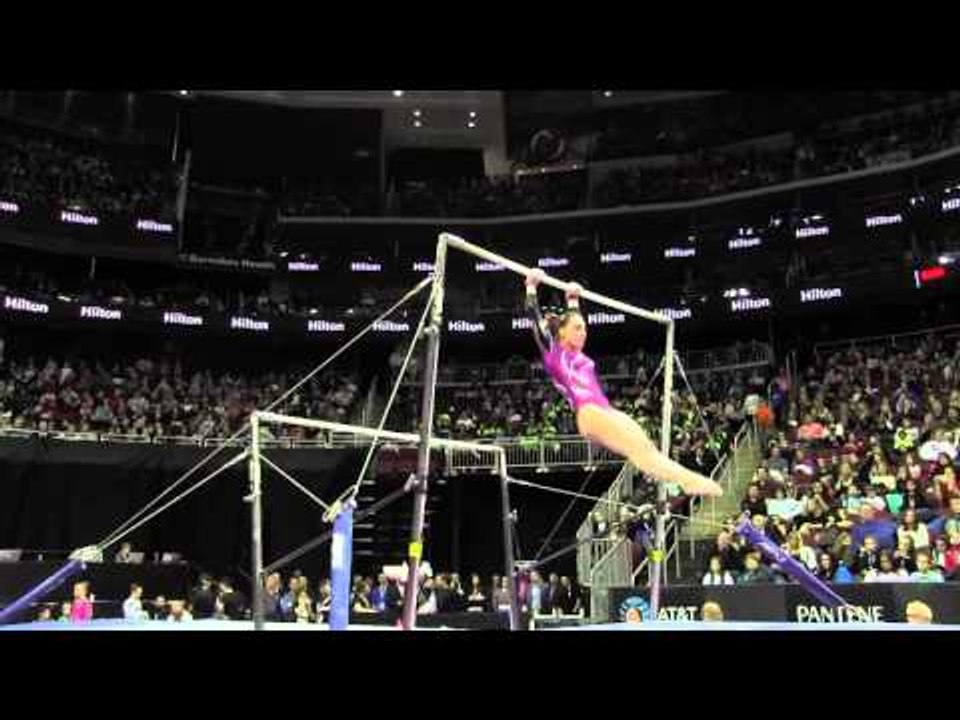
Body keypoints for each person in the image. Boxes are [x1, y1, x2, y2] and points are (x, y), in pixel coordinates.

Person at [523, 270, 721, 497]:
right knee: (640, 453)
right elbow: (534, 318)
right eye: (578, 329)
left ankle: (686, 480)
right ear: (561, 332)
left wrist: (573, 299)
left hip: (603, 409)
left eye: (585, 328)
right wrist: (531, 286)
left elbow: (573, 319)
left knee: (646, 448)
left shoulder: (577, 353)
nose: (584, 333)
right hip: (588, 412)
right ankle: (688, 480)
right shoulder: (554, 352)